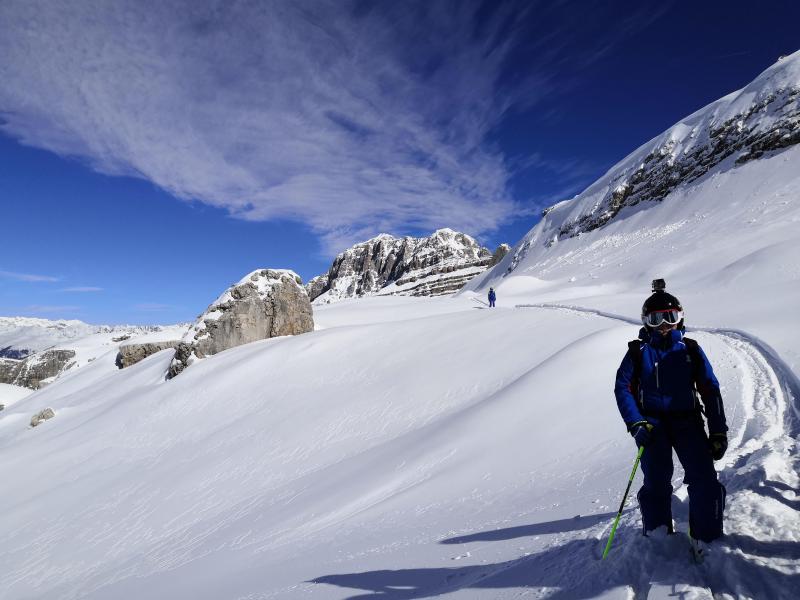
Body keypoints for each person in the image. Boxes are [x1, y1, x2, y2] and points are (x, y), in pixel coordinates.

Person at [614, 279, 728, 546]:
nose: (664, 325)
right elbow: (623, 388)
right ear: (646, 321)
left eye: (670, 317)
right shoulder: (637, 352)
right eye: (655, 319)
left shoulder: (690, 350)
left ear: (680, 317)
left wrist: (718, 430)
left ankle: (707, 539)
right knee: (656, 480)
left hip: (687, 420)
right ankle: (658, 535)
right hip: (652, 425)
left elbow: (710, 389)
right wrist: (635, 422)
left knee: (704, 479)